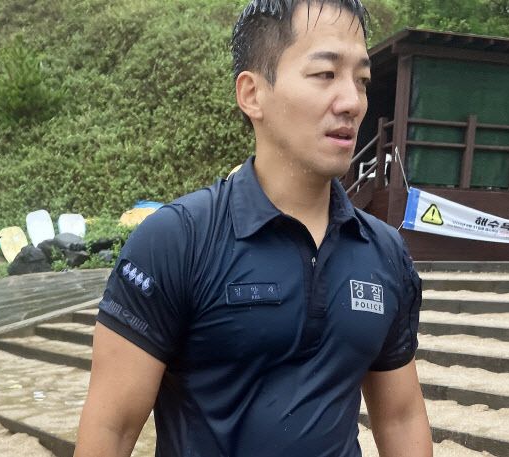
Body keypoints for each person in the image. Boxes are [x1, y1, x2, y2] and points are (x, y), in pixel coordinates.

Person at [74, 1, 432, 456]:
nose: (352, 102)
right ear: (252, 94)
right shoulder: (177, 241)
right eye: (325, 74)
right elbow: (112, 428)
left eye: (360, 80)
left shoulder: (383, 252)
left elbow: (401, 416)